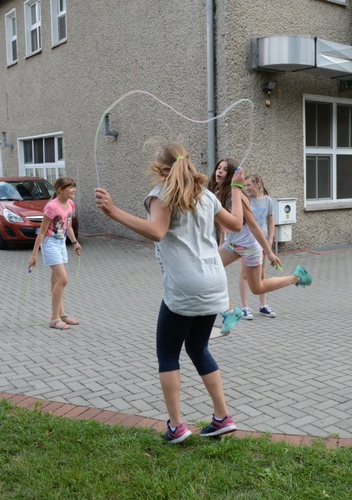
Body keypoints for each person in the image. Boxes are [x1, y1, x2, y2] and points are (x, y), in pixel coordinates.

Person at [93, 143, 244, 443]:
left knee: (167, 354)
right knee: (198, 349)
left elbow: (157, 231)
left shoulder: (161, 194)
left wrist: (113, 211)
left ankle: (177, 426)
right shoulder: (207, 194)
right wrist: (237, 189)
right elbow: (237, 224)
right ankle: (222, 417)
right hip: (214, 284)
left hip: (185, 287)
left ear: (160, 168)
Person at [208, 158, 312, 314]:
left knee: (257, 288)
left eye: (224, 169)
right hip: (232, 245)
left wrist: (269, 252)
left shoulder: (238, 197)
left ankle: (297, 277)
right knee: (209, 268)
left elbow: (254, 226)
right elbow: (221, 225)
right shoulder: (217, 195)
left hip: (249, 247)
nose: (219, 171)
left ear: (231, 175)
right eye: (218, 168)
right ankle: (229, 311)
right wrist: (221, 242)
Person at [28, 177, 82, 330]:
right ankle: (54, 319)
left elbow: (68, 227)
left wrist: (75, 243)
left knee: (56, 280)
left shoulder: (70, 204)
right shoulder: (51, 207)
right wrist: (34, 254)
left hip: (61, 243)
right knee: (63, 280)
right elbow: (42, 231)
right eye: (70, 187)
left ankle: (62, 314)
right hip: (50, 244)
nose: (73, 190)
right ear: (60, 190)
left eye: (74, 187)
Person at [238, 173, 277, 320]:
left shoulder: (268, 200)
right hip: (248, 242)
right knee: (245, 274)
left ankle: (263, 306)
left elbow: (271, 220)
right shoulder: (245, 200)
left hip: (263, 241)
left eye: (248, 185)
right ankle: (245, 307)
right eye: (245, 185)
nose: (246, 188)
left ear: (258, 185)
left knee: (261, 273)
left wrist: (270, 240)